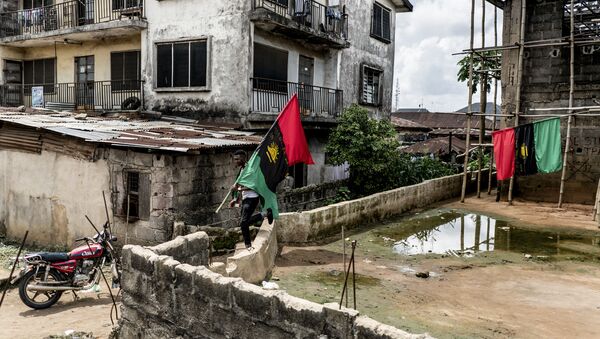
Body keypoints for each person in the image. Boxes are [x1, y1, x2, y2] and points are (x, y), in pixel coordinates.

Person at [229, 150, 273, 250]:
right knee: (245, 222)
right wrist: (235, 199)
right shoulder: (242, 170)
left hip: (252, 198)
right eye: (234, 159)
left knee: (243, 223)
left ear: (243, 159)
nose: (235, 161)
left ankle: (248, 246)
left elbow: (254, 186)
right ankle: (266, 213)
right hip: (245, 198)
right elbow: (240, 184)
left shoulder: (251, 169)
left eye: (237, 159)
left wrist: (238, 189)